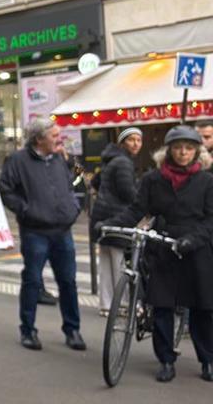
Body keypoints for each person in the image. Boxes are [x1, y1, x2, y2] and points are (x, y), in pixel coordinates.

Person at [100, 126, 213, 382]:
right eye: (177, 148)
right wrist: (111, 223)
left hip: (196, 248)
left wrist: (192, 239)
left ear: (196, 151)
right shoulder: (154, 179)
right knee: (161, 306)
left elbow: (210, 220)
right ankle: (165, 360)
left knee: (202, 309)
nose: (183, 153)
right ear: (168, 150)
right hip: (162, 245)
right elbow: (138, 209)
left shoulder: (206, 181)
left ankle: (208, 359)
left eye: (188, 148)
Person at [0, 119, 86, 353]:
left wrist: (74, 206)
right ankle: (28, 330)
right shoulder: (18, 160)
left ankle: (72, 329)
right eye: (54, 135)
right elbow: (5, 189)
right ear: (39, 139)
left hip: (62, 230)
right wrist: (25, 210)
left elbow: (73, 183)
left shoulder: (60, 158)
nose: (60, 139)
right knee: (33, 281)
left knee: (68, 281)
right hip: (35, 231)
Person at [89, 127, 143, 317]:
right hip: (117, 217)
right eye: (131, 140)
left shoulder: (111, 159)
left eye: (139, 140)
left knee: (106, 261)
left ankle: (107, 304)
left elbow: (95, 182)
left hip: (101, 216)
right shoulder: (123, 163)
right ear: (122, 143)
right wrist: (142, 202)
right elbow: (128, 192)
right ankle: (122, 304)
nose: (136, 144)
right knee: (120, 262)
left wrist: (105, 194)